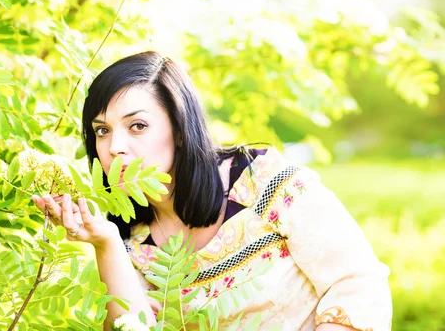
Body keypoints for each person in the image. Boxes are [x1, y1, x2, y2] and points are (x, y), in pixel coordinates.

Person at [31, 51, 392, 330]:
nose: (115, 147)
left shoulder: (264, 181)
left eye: (137, 125)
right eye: (102, 130)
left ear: (179, 125)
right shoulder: (131, 236)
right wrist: (106, 242)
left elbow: (358, 281)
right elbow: (136, 327)